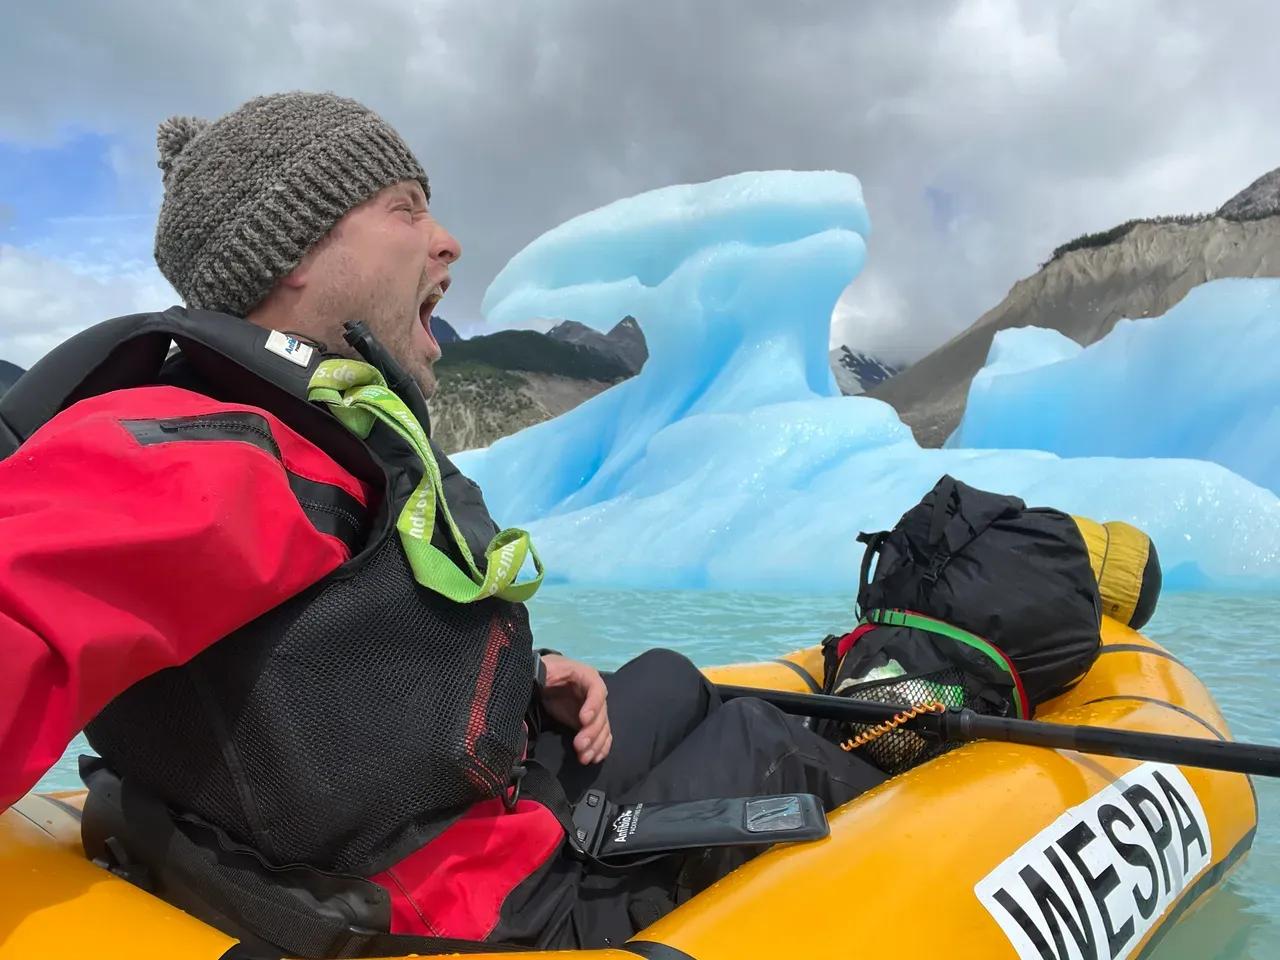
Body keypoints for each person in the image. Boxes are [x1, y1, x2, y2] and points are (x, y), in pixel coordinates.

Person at [0, 92, 885, 953]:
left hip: (459, 819)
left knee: (667, 675)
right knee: (770, 746)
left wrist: (518, 679)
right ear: (295, 256)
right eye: (406, 210)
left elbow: (317, 658)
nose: (448, 239)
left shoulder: (312, 433)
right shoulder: (206, 456)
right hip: (472, 908)